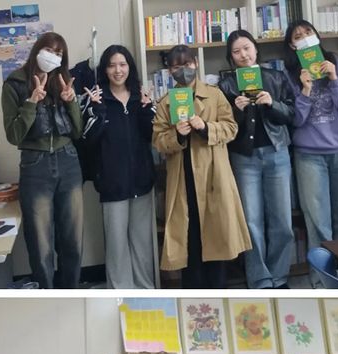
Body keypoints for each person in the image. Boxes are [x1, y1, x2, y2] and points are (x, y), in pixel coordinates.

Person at [152, 44, 252, 288]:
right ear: (169, 71)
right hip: (183, 179)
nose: (183, 70)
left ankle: (217, 292)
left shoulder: (214, 95)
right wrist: (177, 134)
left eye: (187, 64)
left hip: (213, 176)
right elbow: (158, 141)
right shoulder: (166, 103)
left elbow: (231, 128)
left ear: (196, 64)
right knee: (189, 240)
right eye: (176, 67)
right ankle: (193, 296)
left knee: (217, 236)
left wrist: (205, 127)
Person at [2, 32, 84, 288]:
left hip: (68, 161)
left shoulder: (63, 80)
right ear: (37, 50)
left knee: (72, 241)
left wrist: (71, 102)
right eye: (49, 50)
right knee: (40, 245)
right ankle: (46, 296)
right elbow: (13, 135)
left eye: (59, 53)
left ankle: (71, 295)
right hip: (34, 166)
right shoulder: (14, 83)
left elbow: (78, 131)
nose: (53, 56)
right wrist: (31, 102)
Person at [219, 30, 295, 289]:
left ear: (255, 49)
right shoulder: (226, 85)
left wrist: (272, 103)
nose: (243, 55)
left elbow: (292, 114)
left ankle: (279, 276)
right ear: (231, 57)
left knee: (282, 220)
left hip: (277, 153)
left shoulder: (275, 77)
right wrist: (236, 110)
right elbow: (224, 126)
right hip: (244, 158)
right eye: (236, 51)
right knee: (251, 222)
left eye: (247, 48)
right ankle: (260, 279)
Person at [82, 45, 157, 289]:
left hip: (141, 181)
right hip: (112, 183)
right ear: (105, 69)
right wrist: (98, 110)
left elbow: (152, 136)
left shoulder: (140, 97)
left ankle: (145, 290)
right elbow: (88, 140)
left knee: (142, 242)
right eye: (112, 65)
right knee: (116, 244)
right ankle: (120, 292)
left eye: (122, 64)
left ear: (129, 67)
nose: (118, 70)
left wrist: (146, 110)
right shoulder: (97, 99)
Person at [283, 20, 338, 253]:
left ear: (317, 36)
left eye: (308, 32)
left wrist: (334, 79)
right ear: (292, 45)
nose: (305, 38)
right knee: (318, 222)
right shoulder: (288, 74)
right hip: (309, 155)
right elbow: (295, 120)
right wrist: (305, 90)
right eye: (298, 36)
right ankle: (322, 273)